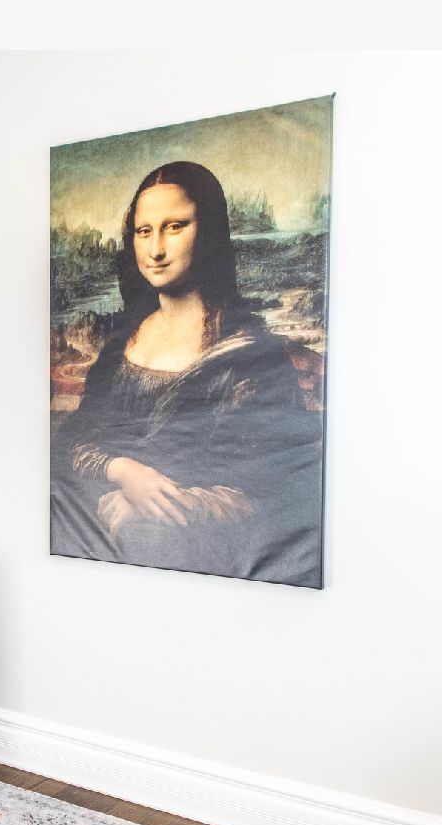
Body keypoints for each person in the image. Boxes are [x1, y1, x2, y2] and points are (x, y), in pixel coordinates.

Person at [50, 161, 323, 588]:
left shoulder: (250, 356)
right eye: (144, 231)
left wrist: (159, 504)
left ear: (207, 231)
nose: (156, 249)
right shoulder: (122, 346)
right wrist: (123, 471)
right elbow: (71, 443)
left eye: (175, 227)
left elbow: (278, 487)